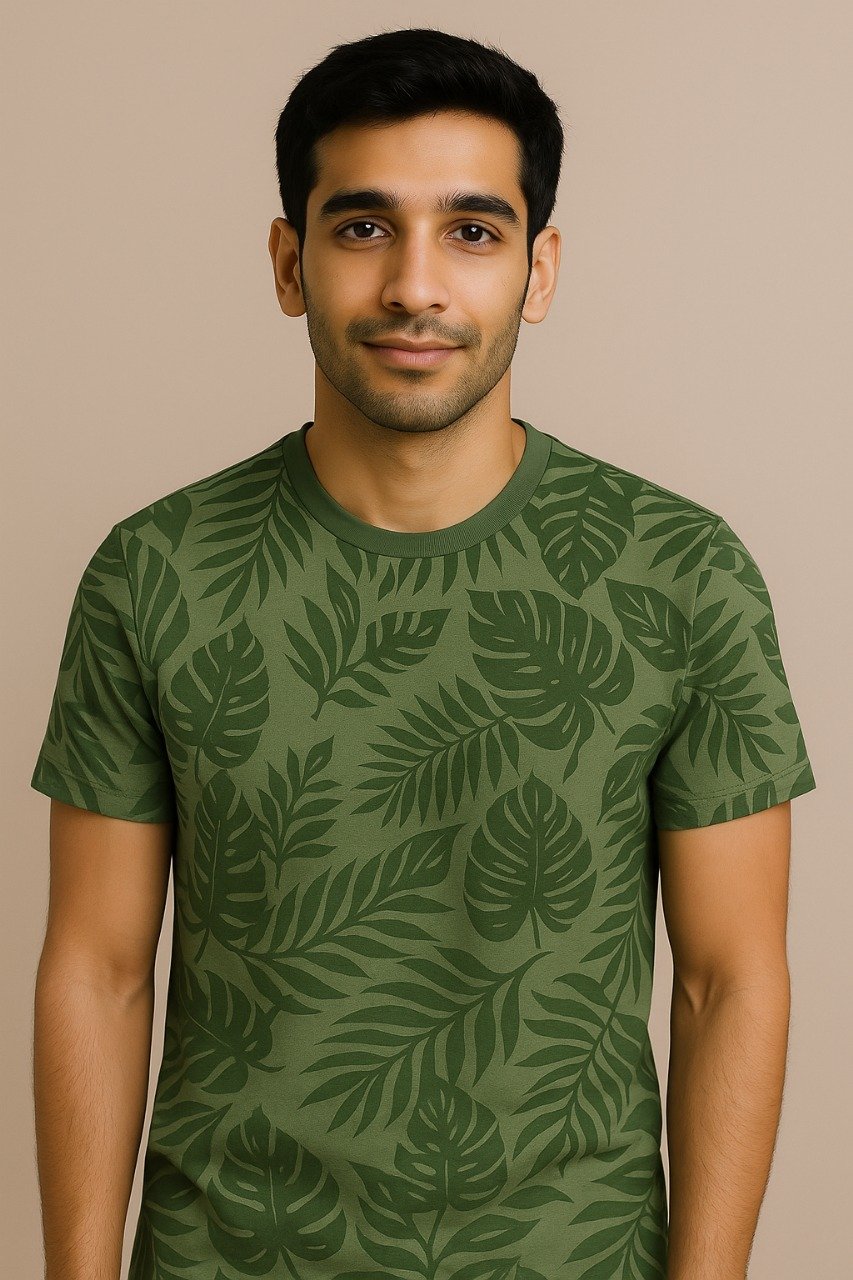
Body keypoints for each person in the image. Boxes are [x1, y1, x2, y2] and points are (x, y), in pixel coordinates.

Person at [30, 26, 817, 1280]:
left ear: (537, 268)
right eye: (360, 228)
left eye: (471, 230)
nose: (413, 285)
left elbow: (731, 980)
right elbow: (100, 965)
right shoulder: (156, 569)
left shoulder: (681, 572)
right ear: (288, 262)